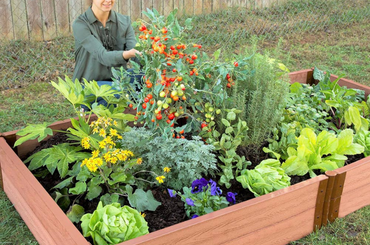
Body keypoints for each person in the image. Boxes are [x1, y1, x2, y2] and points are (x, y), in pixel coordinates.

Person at [72, 0, 142, 109]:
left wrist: (153, 64)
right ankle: (88, 110)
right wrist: (128, 54)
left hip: (118, 80)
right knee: (122, 92)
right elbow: (103, 56)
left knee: (147, 78)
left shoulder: (124, 21)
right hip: (89, 85)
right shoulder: (81, 24)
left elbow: (136, 54)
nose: (108, 0)